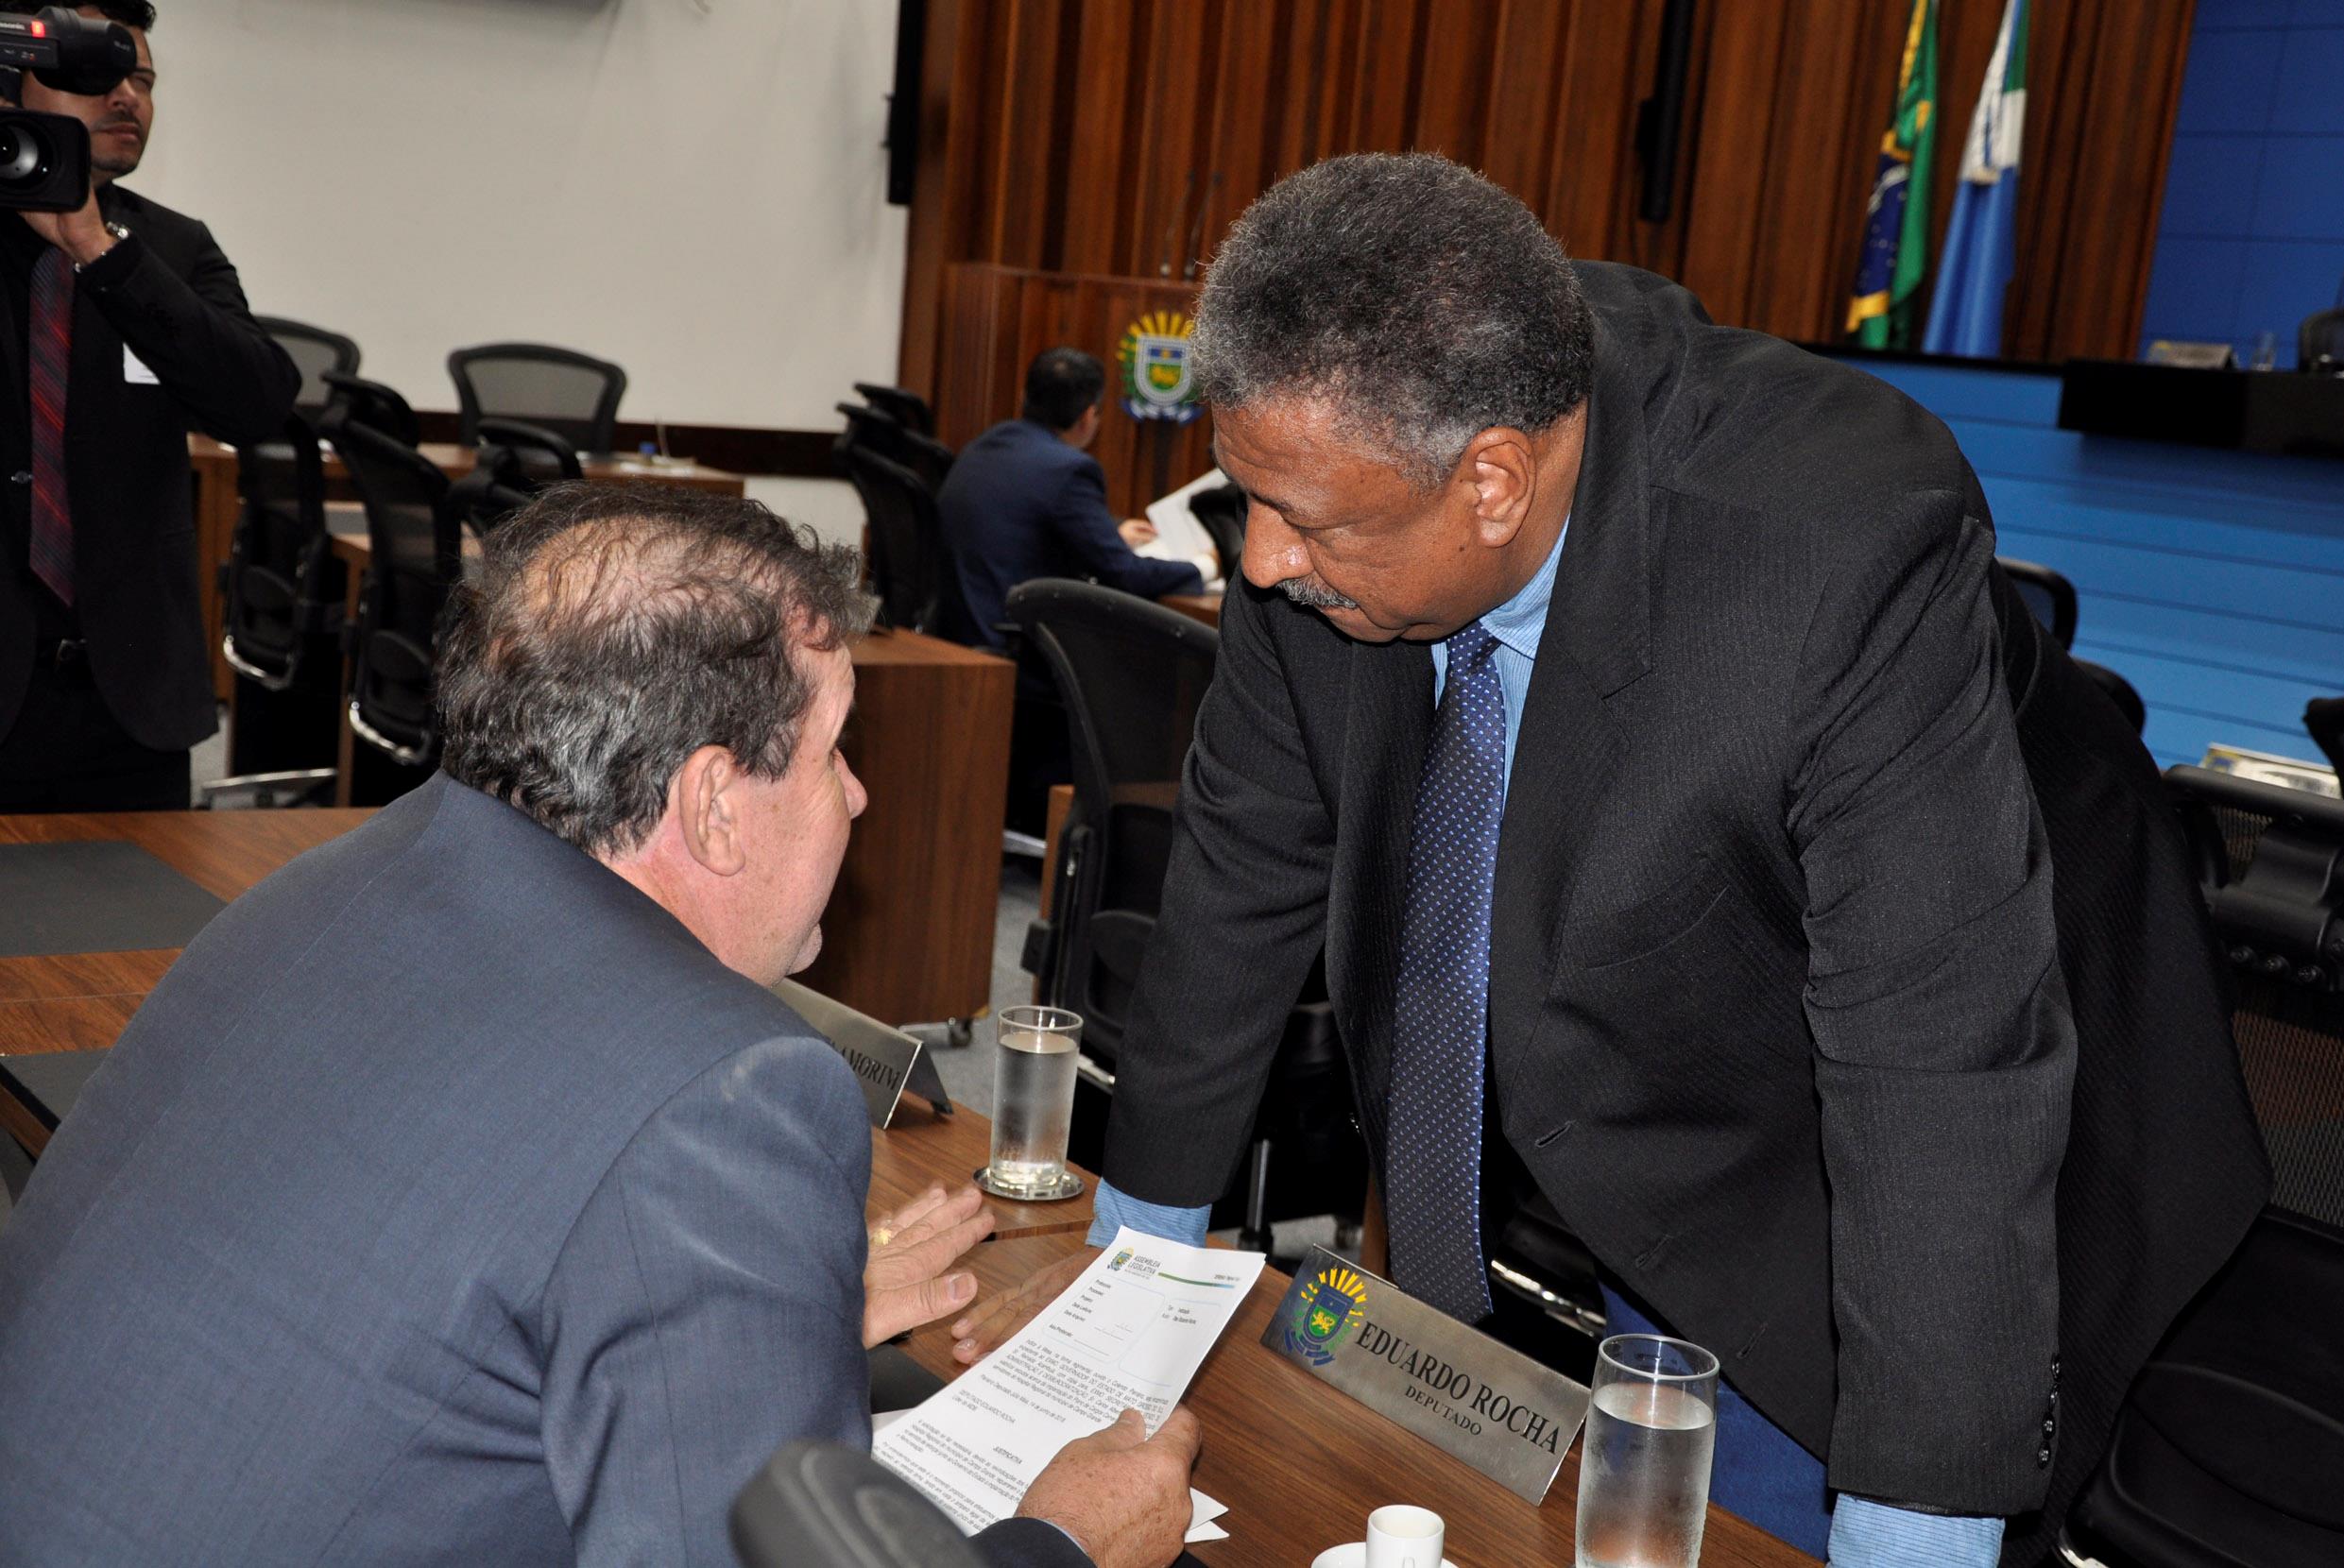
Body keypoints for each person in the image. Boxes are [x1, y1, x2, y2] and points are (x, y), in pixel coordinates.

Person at [948, 154, 2268, 1568]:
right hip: (1651, 1067)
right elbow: (1238, 872)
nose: (1261, 563)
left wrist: (1913, 1531)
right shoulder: (1343, 475)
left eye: (1307, 523)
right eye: (1251, 504)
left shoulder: (1831, 550)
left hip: (1933, 1122)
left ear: (1493, 482)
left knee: (1783, 1503)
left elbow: (1936, 1059)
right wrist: (1130, 1288)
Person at [0, 484, 1199, 1568]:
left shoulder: (330, 887)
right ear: (713, 804)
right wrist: (1064, 1543)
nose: (858, 794)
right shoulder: (728, 1097)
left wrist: (767, 1321)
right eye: (836, 749)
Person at [0, 1, 299, 810]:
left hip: (131, 704)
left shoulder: (171, 248)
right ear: (8, 87)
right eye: (94, 74)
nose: (126, 96)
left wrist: (99, 252)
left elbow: (259, 404)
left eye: (143, 79)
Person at [938, 346, 1212, 654]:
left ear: (1024, 397)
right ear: (1088, 416)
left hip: (956, 637)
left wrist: (1109, 532)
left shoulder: (982, 445)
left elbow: (1020, 521)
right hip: (1018, 652)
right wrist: (1205, 565)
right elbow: (1126, 575)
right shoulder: (1069, 469)